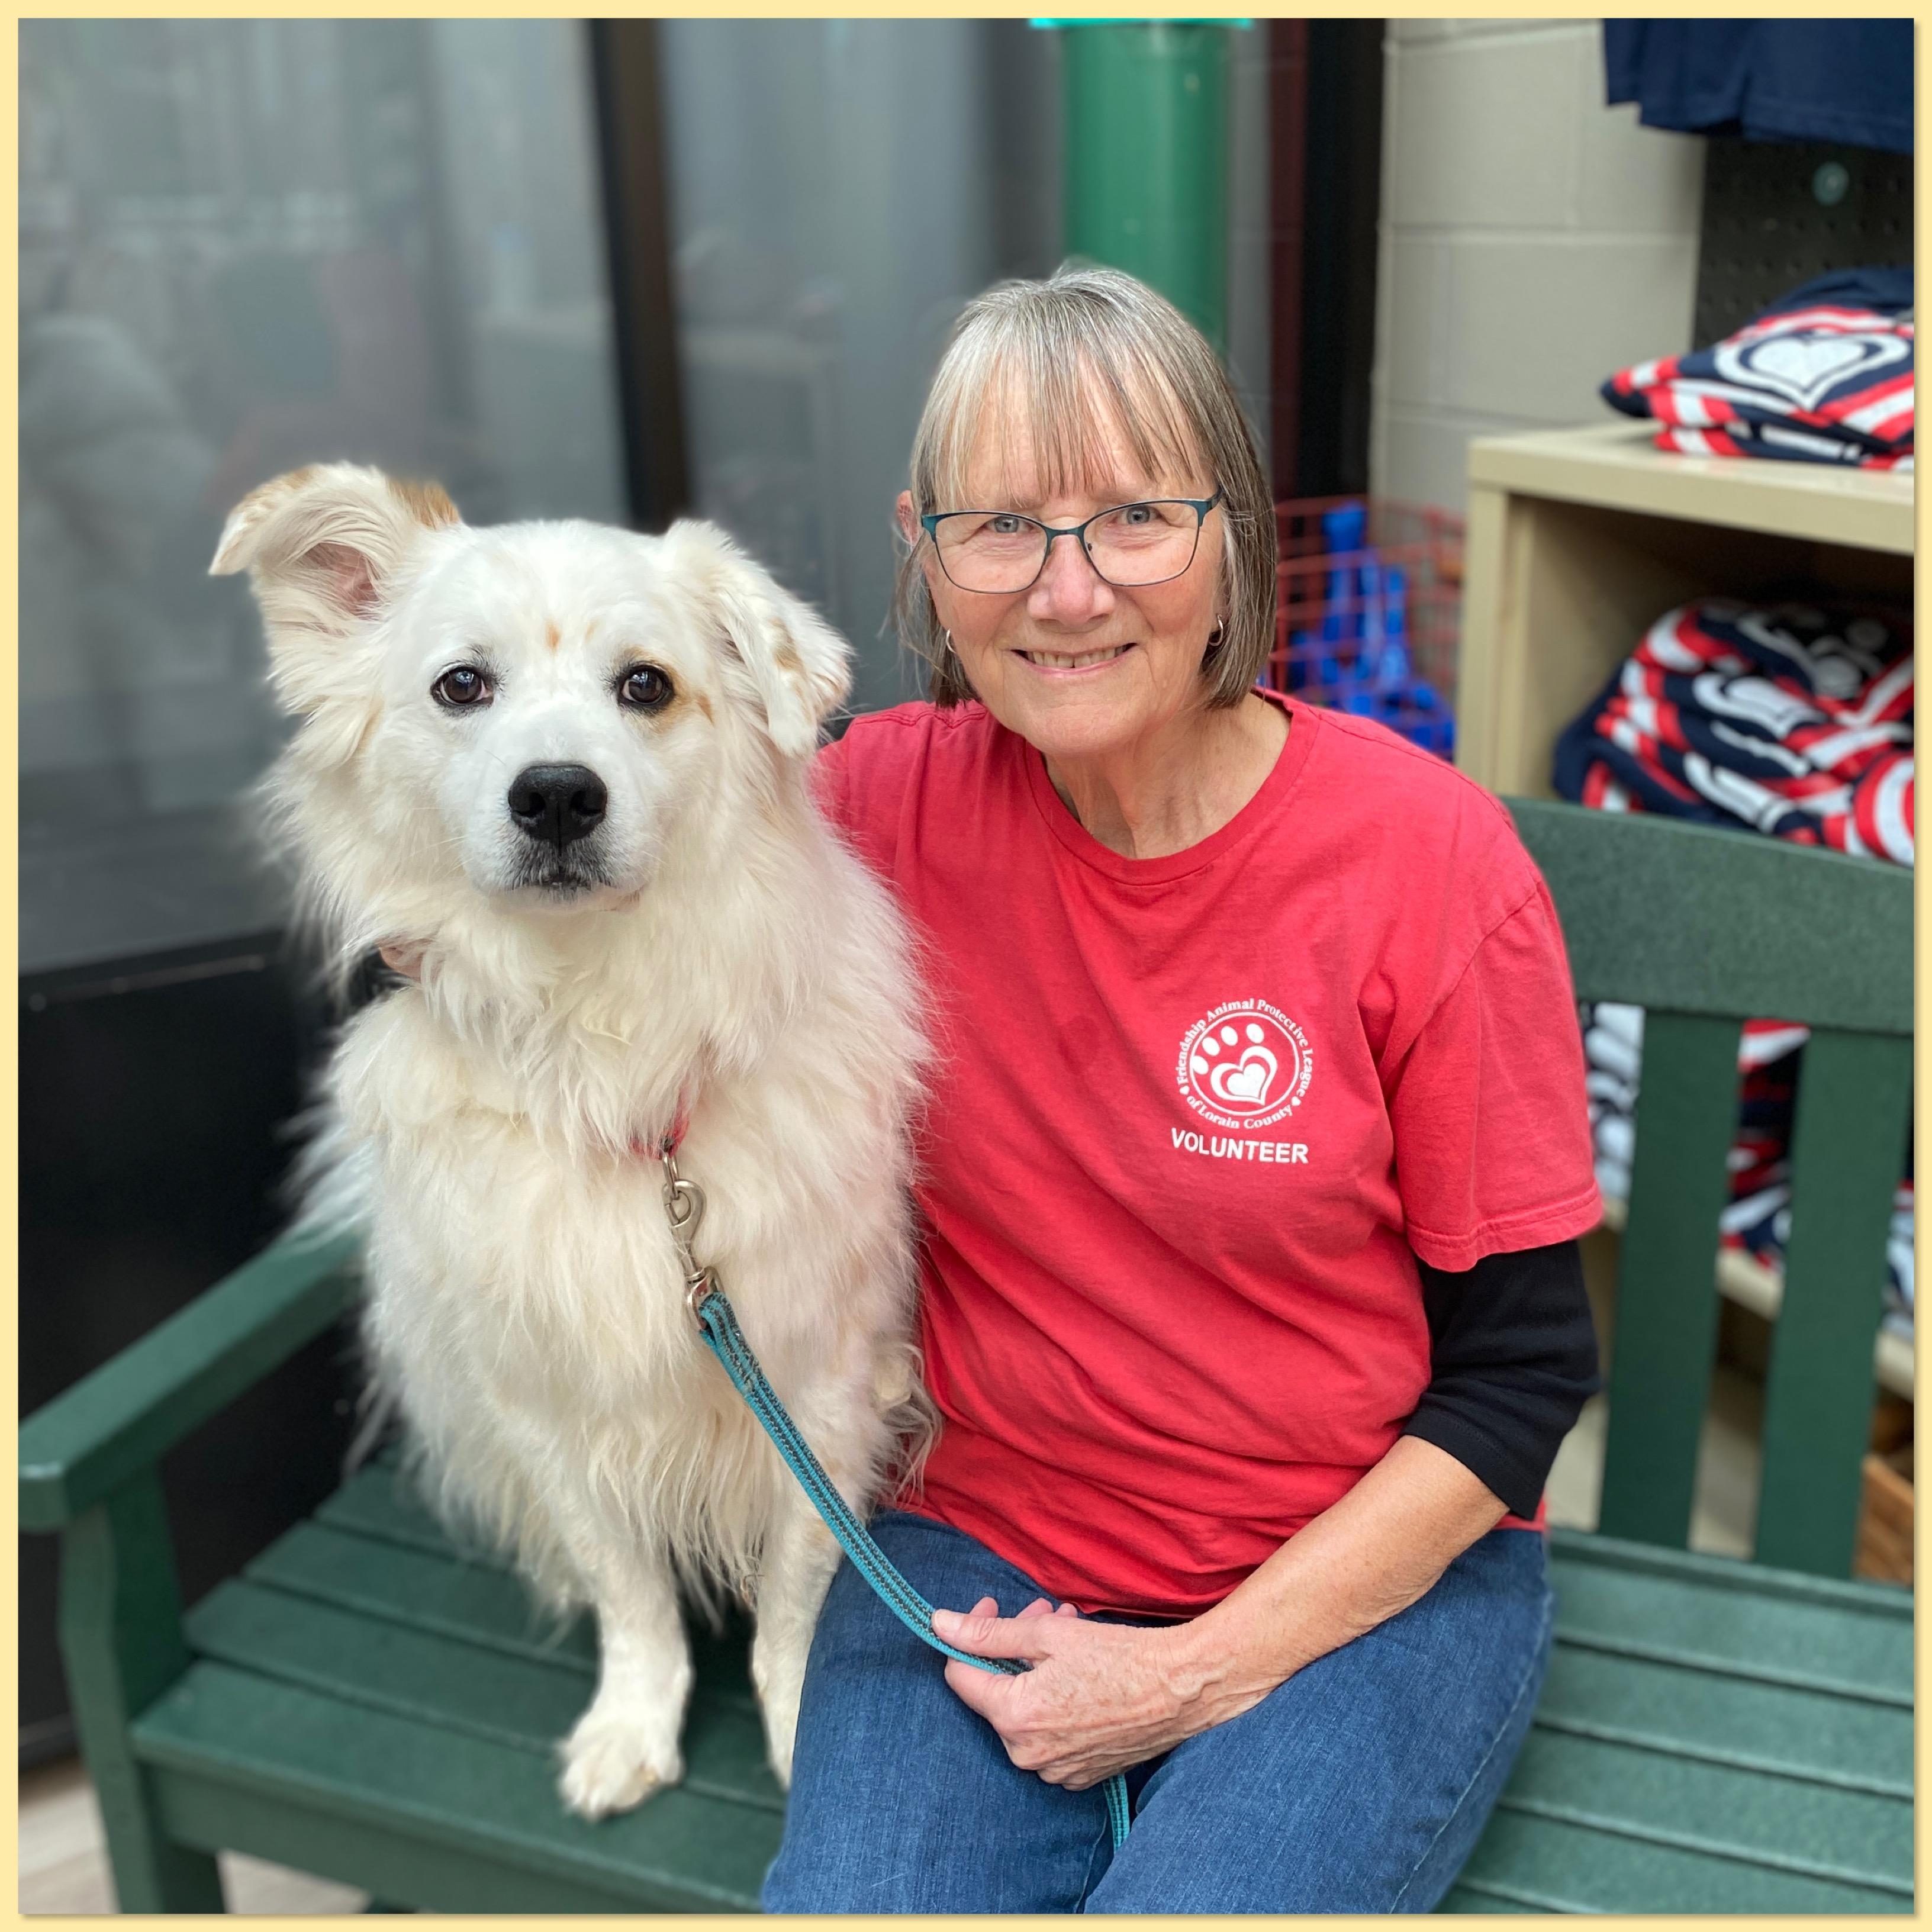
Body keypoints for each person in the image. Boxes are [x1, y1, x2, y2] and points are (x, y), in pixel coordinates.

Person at [757, 264, 1602, 1913]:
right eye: (1001, 526)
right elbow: (610, 861)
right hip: (978, 1532)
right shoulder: (863, 813)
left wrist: (1191, 1675)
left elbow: (1518, 1383)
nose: (1068, 594)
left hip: (1363, 1576)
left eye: (1138, 515)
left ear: (1233, 533)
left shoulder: (1425, 863)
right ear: (923, 548)